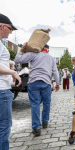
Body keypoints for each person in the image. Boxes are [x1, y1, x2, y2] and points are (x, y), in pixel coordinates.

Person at [14, 43, 60, 136]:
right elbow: (55, 72)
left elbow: (17, 60)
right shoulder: (51, 58)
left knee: (35, 104)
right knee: (47, 103)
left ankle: (36, 128)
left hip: (34, 82)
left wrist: (22, 49)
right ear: (48, 50)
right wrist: (57, 84)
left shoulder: (33, 54)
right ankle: (45, 122)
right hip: (46, 82)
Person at [0, 13, 21, 150]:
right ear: (1, 26)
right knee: (4, 127)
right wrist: (12, 72)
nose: (11, 31)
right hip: (2, 91)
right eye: (10, 28)